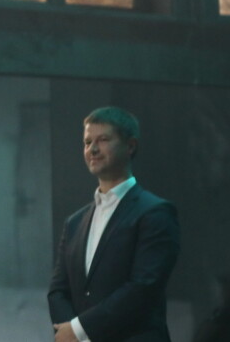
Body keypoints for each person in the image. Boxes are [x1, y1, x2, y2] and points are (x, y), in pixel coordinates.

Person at [48, 107, 180, 342]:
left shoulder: (156, 212)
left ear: (130, 146)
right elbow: (58, 290)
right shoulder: (74, 222)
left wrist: (78, 330)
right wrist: (69, 333)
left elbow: (143, 288)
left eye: (103, 140)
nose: (93, 149)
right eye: (87, 142)